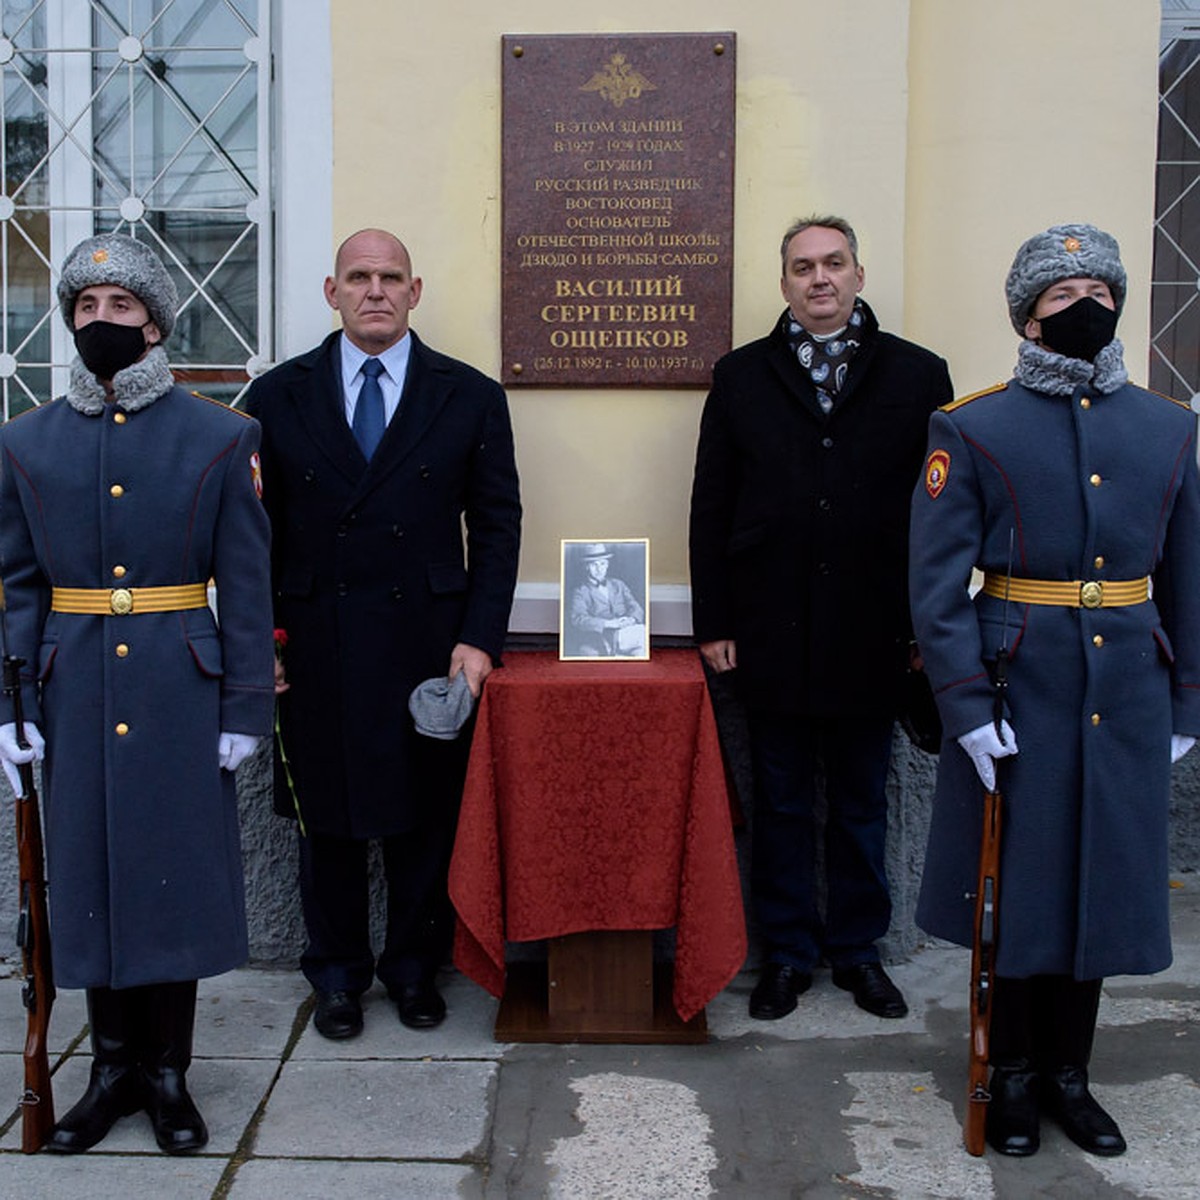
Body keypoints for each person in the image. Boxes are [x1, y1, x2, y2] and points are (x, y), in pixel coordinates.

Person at [910, 223, 1200, 1158]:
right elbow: (935, 586)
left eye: (1101, 292)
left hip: (1128, 687)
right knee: (1022, 887)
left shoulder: (1166, 427)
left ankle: (1073, 1075)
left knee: (1106, 888)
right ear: (1028, 318)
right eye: (1064, 296)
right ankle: (1014, 1075)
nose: (1089, 309)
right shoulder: (974, 424)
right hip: (1017, 684)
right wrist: (964, 706)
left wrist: (1188, 702)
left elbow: (1190, 572)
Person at [0, 233, 274, 1154]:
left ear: (155, 322)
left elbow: (246, 583)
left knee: (169, 881)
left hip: (177, 689)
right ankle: (108, 1066)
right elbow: (17, 584)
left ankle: (167, 1074)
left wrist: (244, 710)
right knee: (89, 880)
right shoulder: (26, 443)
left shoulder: (220, 434)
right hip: (72, 685)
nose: (102, 322)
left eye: (121, 308)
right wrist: (11, 708)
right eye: (85, 308)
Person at [244, 229, 521, 1038]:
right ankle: (335, 977)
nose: (375, 290)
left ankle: (412, 970)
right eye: (358, 277)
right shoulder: (275, 395)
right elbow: (249, 532)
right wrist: (259, 638)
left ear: (416, 290)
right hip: (312, 637)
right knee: (324, 819)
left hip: (426, 640)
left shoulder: (467, 394)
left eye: (390, 277)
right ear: (331, 292)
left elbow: (497, 525)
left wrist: (480, 638)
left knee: (422, 817)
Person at [689, 215, 952, 1021]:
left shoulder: (918, 375)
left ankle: (858, 950)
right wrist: (715, 621)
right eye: (803, 267)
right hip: (771, 627)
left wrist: (924, 628)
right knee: (783, 800)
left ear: (858, 274)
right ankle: (788, 953)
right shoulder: (741, 377)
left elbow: (942, 513)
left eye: (833, 263)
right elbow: (711, 504)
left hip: (875, 629)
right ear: (784, 285)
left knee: (863, 799)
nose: (819, 279)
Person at [567, 542, 646, 657]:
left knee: (640, 652)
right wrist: (609, 624)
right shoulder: (580, 591)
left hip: (628, 629)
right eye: (594, 565)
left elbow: (635, 606)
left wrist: (632, 619)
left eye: (602, 564)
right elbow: (578, 619)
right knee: (642, 633)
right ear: (587, 567)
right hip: (603, 636)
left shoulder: (618, 584)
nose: (599, 569)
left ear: (607, 565)